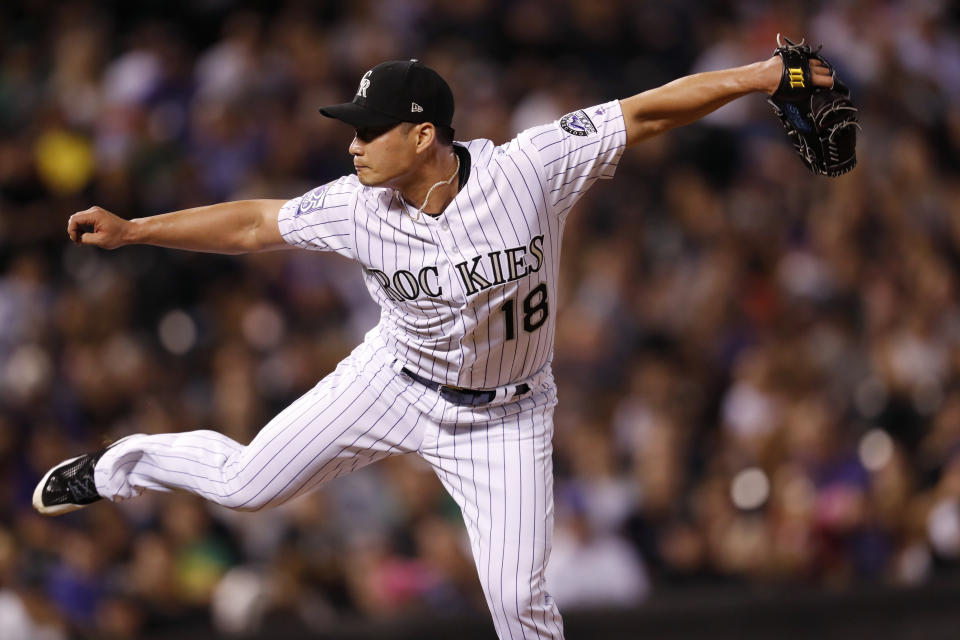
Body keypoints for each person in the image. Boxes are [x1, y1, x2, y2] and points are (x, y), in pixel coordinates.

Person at [34, 53, 834, 638]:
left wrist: (763, 75)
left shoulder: (528, 169)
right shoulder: (357, 205)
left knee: (519, 604)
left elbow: (649, 110)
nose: (353, 145)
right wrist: (138, 229)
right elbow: (251, 222)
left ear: (423, 136)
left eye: (369, 132)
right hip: (398, 379)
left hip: (509, 418)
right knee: (247, 485)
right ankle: (114, 467)